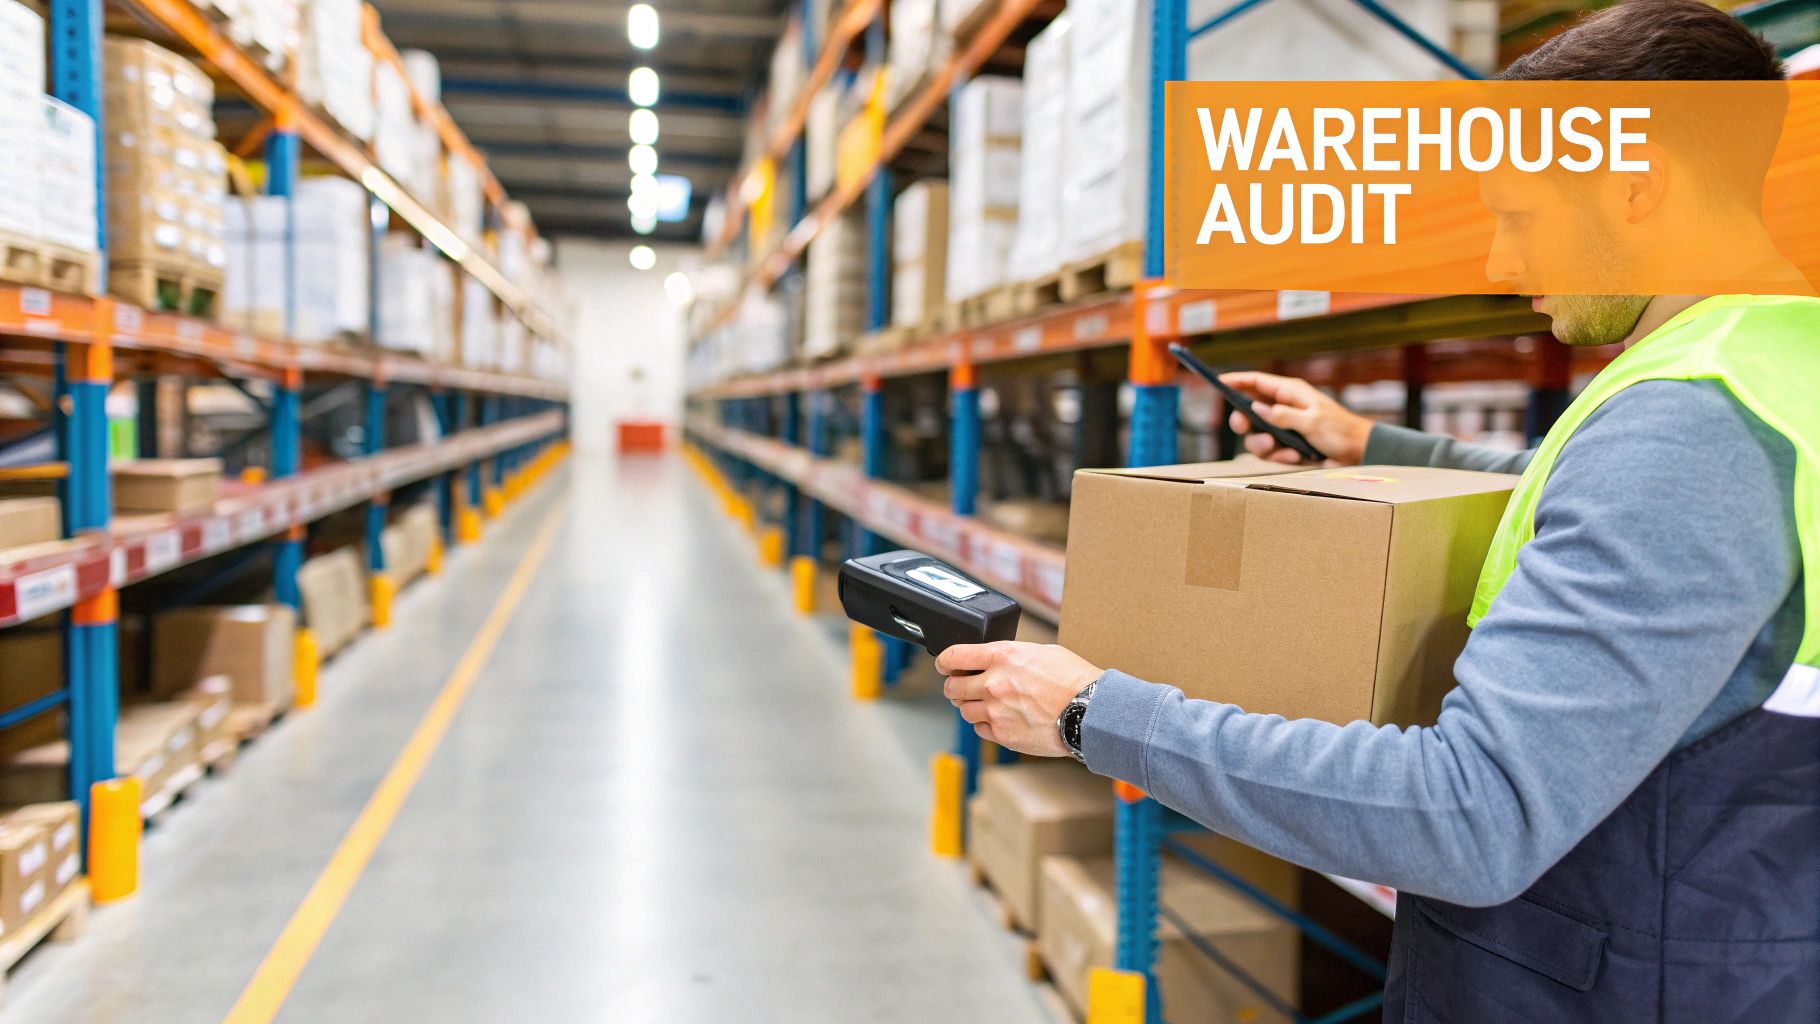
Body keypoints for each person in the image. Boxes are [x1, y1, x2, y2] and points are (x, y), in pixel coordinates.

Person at [935, 1, 1820, 1019]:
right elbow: (1584, 491)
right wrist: (1370, 445)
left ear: (1635, 185)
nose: (1502, 266)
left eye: (1521, 217)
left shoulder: (1686, 425)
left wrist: (1092, 713)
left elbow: (1470, 813)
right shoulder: (1769, 362)